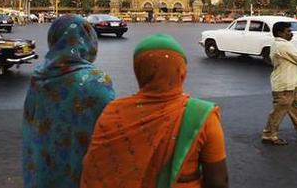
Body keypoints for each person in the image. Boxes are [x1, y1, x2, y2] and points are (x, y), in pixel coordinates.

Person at [81, 34, 228, 188]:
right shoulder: (202, 117)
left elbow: (96, 173)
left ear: (139, 71)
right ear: (182, 71)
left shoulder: (113, 112)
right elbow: (218, 182)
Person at [22, 15, 115, 188]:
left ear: (54, 40)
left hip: (45, 170)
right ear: (89, 41)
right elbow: (110, 132)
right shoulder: (97, 81)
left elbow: (30, 125)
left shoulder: (39, 78)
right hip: (83, 173)